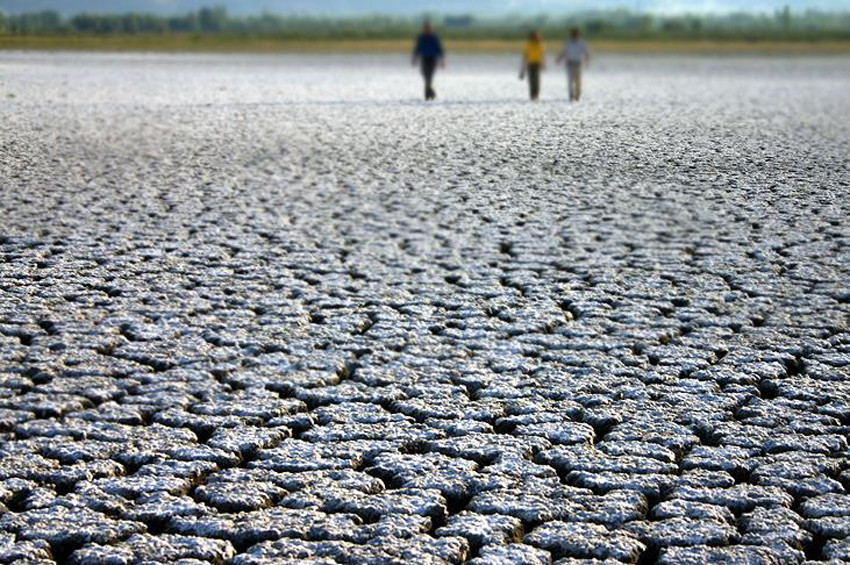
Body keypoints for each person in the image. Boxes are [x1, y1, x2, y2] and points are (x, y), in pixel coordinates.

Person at [412, 21, 445, 101]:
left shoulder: (434, 38)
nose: (427, 30)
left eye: (429, 28)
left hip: (432, 59)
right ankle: (431, 94)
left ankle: (427, 97)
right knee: (425, 77)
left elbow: (439, 49)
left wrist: (442, 60)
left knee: (429, 78)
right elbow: (417, 49)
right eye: (426, 28)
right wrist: (414, 59)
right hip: (424, 59)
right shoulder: (421, 38)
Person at [557, 28, 590, 102]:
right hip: (570, 64)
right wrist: (559, 58)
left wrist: (587, 60)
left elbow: (586, 52)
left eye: (577, 34)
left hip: (578, 64)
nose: (575, 36)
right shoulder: (568, 42)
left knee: (578, 81)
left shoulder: (582, 43)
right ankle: (571, 96)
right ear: (572, 35)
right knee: (570, 81)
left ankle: (577, 95)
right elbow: (564, 51)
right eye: (574, 34)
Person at [520, 31, 545, 101]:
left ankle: (536, 94)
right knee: (531, 80)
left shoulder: (539, 44)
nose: (535, 38)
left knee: (536, 80)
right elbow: (525, 55)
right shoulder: (528, 45)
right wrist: (523, 65)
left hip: (537, 63)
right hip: (530, 63)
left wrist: (543, 64)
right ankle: (532, 95)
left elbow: (542, 54)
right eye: (534, 37)